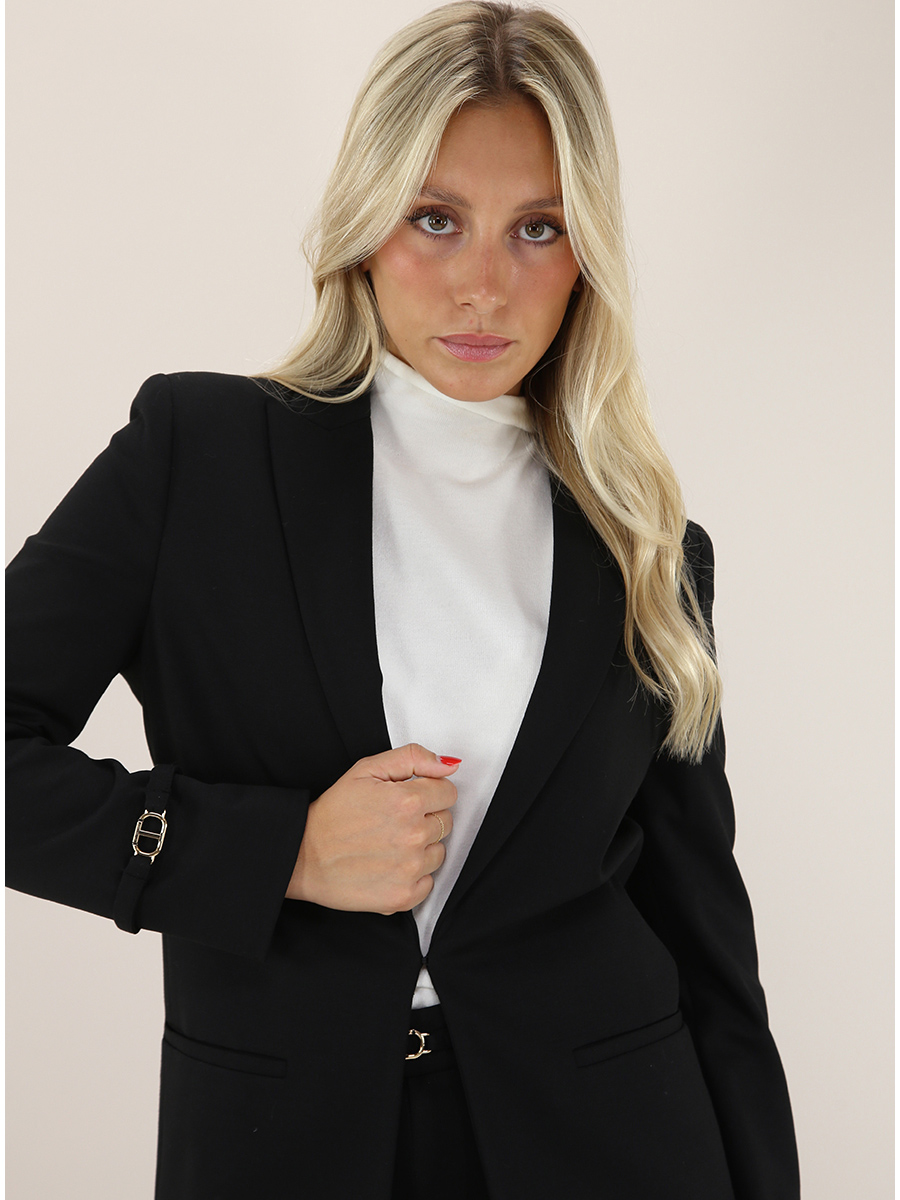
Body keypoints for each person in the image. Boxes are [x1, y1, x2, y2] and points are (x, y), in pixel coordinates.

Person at [6, 2, 800, 1197]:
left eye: (538, 228)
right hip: (283, 1145)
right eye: (437, 219)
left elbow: (708, 943)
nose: (485, 285)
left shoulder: (648, 546)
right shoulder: (197, 458)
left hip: (617, 1143)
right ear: (365, 225)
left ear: (588, 252)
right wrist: (279, 852)